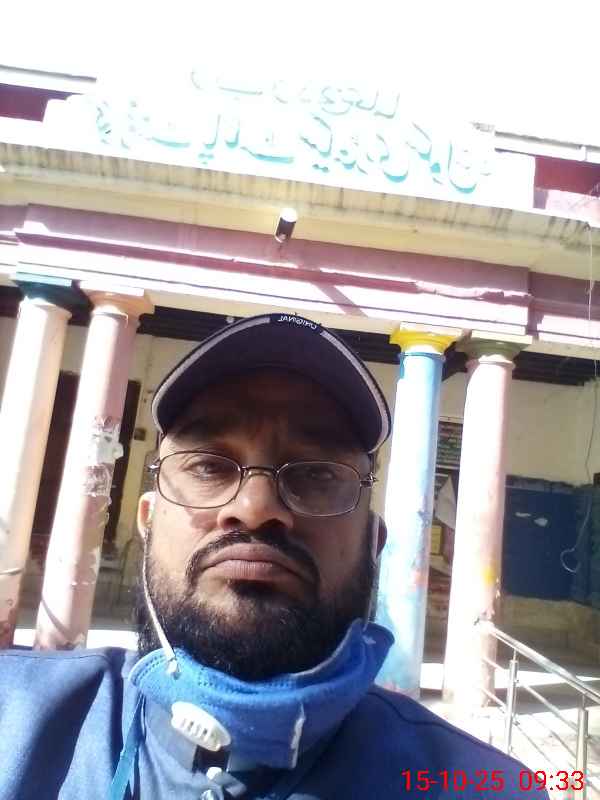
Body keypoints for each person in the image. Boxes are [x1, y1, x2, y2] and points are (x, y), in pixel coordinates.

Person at [0, 313, 547, 799]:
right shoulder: (12, 715)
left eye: (317, 474)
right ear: (148, 520)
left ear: (373, 542)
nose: (256, 508)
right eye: (209, 465)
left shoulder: (487, 788)